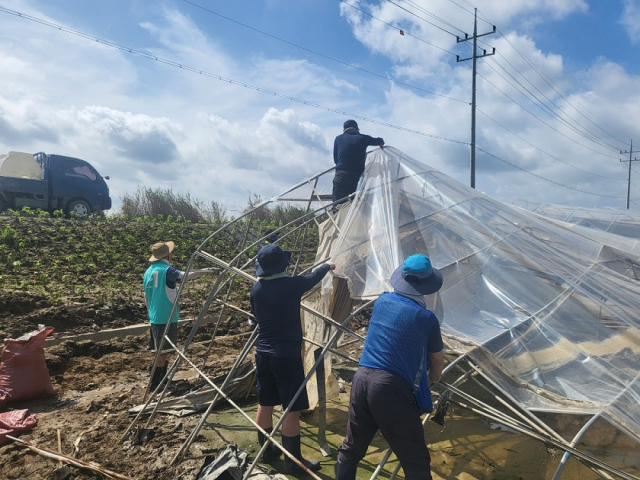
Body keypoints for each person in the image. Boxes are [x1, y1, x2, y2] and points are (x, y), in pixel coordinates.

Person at [336, 254, 445, 480]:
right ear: (426, 285)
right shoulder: (426, 318)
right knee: (415, 459)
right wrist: (433, 381)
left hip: (362, 378)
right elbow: (436, 361)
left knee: (352, 447)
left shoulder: (382, 301)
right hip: (390, 388)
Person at [250, 244, 335, 473]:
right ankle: (294, 462)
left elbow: (256, 317)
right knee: (291, 409)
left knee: (265, 403)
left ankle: (267, 451)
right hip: (286, 356)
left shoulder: (256, 289)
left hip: (264, 353)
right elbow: (313, 277)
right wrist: (328, 265)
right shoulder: (291, 285)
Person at [143, 241, 214, 391]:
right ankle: (156, 384)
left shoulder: (149, 271)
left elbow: (146, 296)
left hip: (155, 316)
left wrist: (151, 312)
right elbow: (186, 275)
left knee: (162, 350)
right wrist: (207, 271)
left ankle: (161, 378)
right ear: (167, 255)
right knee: (163, 352)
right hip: (165, 317)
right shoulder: (166, 270)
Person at [332, 119, 384, 205]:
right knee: (357, 205)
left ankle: (338, 217)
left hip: (341, 176)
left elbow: (335, 159)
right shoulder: (363, 138)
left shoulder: (338, 139)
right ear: (357, 129)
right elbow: (379, 140)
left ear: (344, 129)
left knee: (338, 205)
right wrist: (381, 143)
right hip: (358, 177)